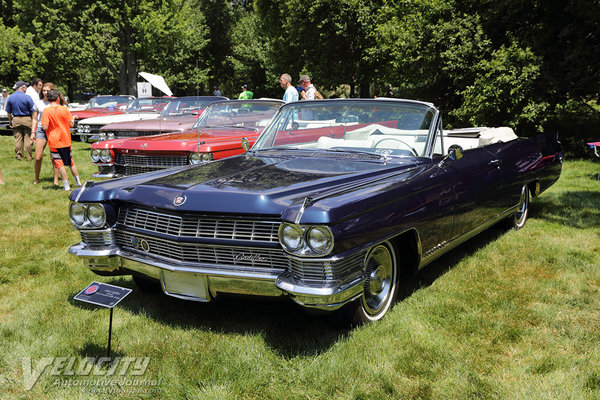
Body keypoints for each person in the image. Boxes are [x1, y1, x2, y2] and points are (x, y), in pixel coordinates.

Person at [41, 89, 81, 191]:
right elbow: (71, 124)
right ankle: (78, 183)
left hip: (54, 141)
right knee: (71, 162)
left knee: (59, 163)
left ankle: (66, 186)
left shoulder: (46, 111)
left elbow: (45, 127)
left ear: (47, 98)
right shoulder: (64, 109)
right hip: (66, 139)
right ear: (58, 98)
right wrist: (73, 118)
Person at [31, 82, 61, 185]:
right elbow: (34, 119)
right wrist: (32, 132)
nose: (45, 92)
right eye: (43, 90)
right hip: (40, 130)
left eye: (47, 90)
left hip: (53, 131)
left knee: (54, 157)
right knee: (38, 156)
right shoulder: (38, 103)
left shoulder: (56, 103)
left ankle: (56, 180)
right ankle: (36, 178)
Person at [5, 80, 34, 161]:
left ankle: (19, 156)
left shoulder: (10, 97)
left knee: (18, 139)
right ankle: (29, 157)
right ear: (23, 88)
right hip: (27, 119)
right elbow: (33, 110)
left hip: (16, 119)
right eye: (26, 87)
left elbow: (8, 112)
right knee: (28, 139)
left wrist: (10, 120)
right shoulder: (27, 97)